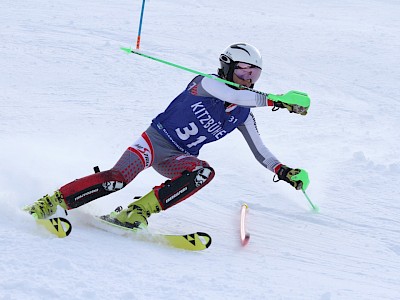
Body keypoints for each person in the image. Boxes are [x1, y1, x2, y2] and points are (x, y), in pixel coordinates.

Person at [25, 42, 310, 229]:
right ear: (227, 66)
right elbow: (230, 93)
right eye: (243, 71)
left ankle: (136, 212)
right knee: (116, 180)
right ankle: (51, 202)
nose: (249, 79)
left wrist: (284, 171)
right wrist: (276, 101)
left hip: (178, 158)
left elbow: (260, 151)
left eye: (255, 74)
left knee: (203, 173)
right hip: (153, 141)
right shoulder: (207, 83)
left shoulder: (244, 113)